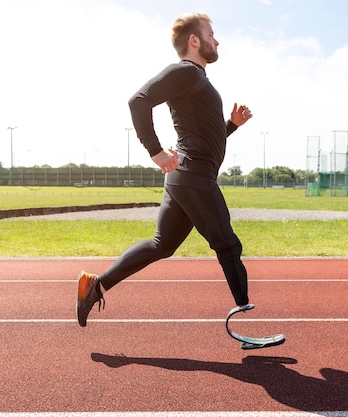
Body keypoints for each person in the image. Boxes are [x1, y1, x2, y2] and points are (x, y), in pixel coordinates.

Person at [77, 12, 253, 327]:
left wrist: (231, 125)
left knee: (163, 245)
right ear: (194, 40)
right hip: (193, 174)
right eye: (211, 34)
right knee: (227, 243)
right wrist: (156, 152)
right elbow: (138, 101)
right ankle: (243, 313)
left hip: (186, 175)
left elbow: (206, 138)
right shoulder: (186, 72)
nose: (217, 40)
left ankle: (96, 285)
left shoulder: (196, 79)